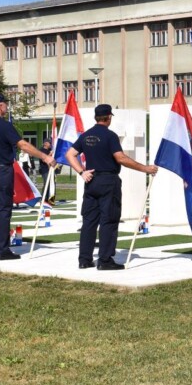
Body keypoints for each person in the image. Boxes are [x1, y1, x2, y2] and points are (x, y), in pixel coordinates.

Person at [65, 103, 154, 271]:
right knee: (109, 219)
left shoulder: (86, 135)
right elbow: (120, 158)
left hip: (91, 181)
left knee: (89, 221)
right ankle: (105, 260)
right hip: (108, 181)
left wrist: (82, 172)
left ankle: (84, 260)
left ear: (96, 117)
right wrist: (145, 169)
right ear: (108, 118)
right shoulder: (110, 136)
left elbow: (69, 154)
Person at [0, 93, 56, 260]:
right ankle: (3, 250)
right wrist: (44, 157)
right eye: (5, 104)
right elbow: (23, 145)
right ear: (0, 106)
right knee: (4, 209)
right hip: (2, 170)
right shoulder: (4, 125)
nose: (7, 107)